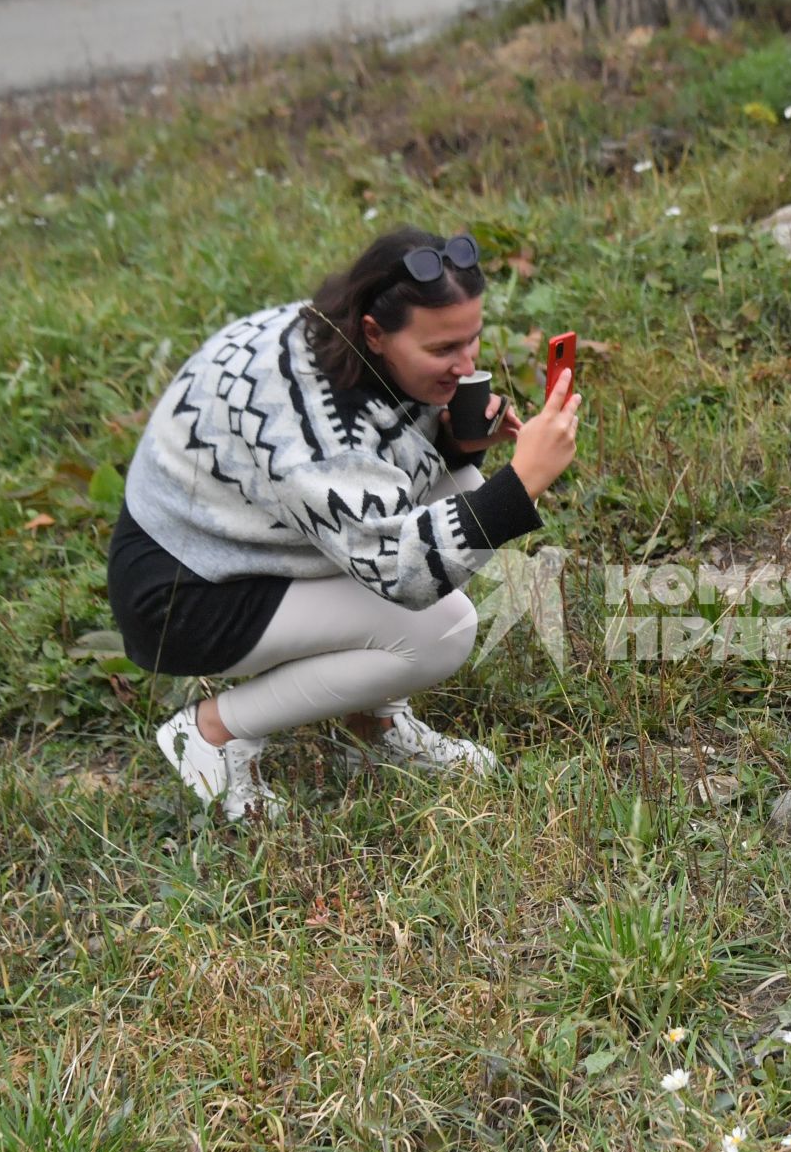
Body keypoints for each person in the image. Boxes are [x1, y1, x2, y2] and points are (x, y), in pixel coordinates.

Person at [106, 226, 581, 820]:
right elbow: (403, 571)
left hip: (246, 541)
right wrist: (522, 484)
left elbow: (387, 477)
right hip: (186, 592)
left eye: (472, 341)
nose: (465, 366)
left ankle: (370, 727)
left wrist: (456, 444)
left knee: (455, 496)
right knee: (442, 630)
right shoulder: (310, 422)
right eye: (441, 351)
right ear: (375, 333)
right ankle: (208, 734)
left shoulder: (335, 336)